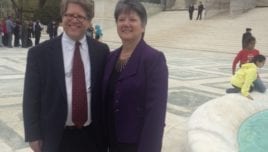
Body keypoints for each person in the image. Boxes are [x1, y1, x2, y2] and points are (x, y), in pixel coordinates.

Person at [23, 0, 110, 152]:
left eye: (80, 16)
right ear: (62, 17)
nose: (74, 20)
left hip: (93, 137)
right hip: (56, 137)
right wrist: (33, 135)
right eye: (69, 15)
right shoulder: (39, 54)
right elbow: (31, 98)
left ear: (89, 21)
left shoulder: (101, 51)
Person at [102, 0, 168, 152]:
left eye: (132, 19)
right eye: (121, 19)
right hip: (110, 141)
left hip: (136, 144)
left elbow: (156, 115)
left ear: (143, 25)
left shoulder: (154, 59)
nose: (126, 24)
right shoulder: (110, 57)